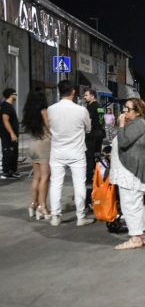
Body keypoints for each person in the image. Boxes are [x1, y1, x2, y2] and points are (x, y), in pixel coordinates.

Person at [47, 80, 94, 227]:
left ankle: (55, 216)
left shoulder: (51, 109)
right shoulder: (81, 110)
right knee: (79, 184)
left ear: (59, 91)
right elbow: (88, 128)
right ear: (73, 92)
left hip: (57, 151)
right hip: (77, 151)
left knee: (55, 183)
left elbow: (50, 127)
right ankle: (80, 217)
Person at [110, 98, 145, 249]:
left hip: (131, 171)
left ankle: (135, 237)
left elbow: (123, 142)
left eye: (128, 109)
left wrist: (121, 125)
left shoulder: (139, 124)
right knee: (136, 203)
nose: (124, 112)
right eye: (124, 108)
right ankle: (141, 234)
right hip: (132, 170)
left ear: (137, 111)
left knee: (130, 203)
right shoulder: (137, 124)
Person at [22, 89, 51, 220]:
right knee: (45, 177)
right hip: (43, 144)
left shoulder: (29, 112)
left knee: (36, 177)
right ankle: (42, 206)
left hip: (32, 143)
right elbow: (50, 127)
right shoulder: (43, 111)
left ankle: (33, 204)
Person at [83, 89, 106, 187]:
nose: (84, 97)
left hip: (91, 135)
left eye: (86, 95)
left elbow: (88, 121)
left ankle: (89, 179)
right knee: (97, 156)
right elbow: (101, 121)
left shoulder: (91, 107)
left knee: (89, 157)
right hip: (100, 134)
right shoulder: (100, 106)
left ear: (92, 96)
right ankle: (98, 177)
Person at [1, 88, 20, 179]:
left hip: (13, 135)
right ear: (10, 94)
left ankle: (12, 171)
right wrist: (12, 133)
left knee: (14, 153)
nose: (16, 95)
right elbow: (5, 121)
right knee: (8, 152)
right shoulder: (6, 106)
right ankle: (7, 172)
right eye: (15, 93)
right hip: (7, 135)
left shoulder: (9, 105)